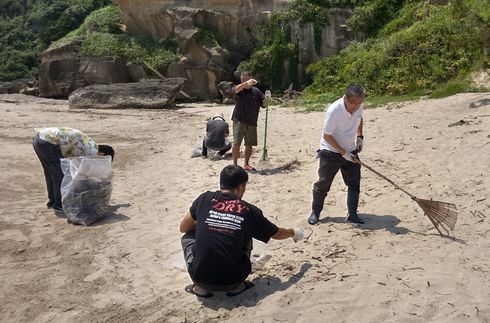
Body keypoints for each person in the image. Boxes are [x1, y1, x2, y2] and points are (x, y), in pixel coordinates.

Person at [180, 165, 304, 298]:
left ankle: (200, 289)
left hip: (200, 278)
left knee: (188, 237)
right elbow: (277, 234)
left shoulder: (204, 199)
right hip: (234, 280)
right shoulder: (249, 210)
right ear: (240, 187)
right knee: (245, 232)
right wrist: (294, 232)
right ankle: (238, 287)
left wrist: (209, 222)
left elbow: (184, 228)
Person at [308, 84, 365, 225]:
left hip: (350, 149)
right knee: (323, 184)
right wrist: (343, 153)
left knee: (354, 183)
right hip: (330, 151)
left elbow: (359, 118)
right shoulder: (334, 110)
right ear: (345, 98)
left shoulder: (359, 106)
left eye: (358, 103)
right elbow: (327, 136)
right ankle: (315, 212)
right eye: (352, 103)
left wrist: (360, 137)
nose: (355, 107)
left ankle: (352, 214)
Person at [32, 127, 115, 211]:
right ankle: (59, 204)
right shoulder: (91, 151)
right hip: (49, 142)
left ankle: (52, 203)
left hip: (40, 139)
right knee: (59, 174)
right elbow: (84, 173)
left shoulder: (89, 144)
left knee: (51, 172)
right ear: (102, 154)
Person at [231, 71, 265, 171]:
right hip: (239, 119)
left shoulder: (256, 91)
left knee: (249, 144)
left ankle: (246, 164)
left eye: (246, 79)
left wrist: (267, 99)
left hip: (252, 121)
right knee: (237, 142)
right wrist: (246, 83)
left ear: (250, 77)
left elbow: (264, 105)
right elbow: (236, 90)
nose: (244, 81)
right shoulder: (239, 89)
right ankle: (235, 165)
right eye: (242, 79)